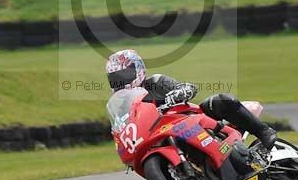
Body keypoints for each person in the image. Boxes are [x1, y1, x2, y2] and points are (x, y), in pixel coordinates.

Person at [105, 49, 277, 150]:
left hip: (190, 121)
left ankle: (263, 131)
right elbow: (123, 127)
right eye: (116, 78)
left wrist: (180, 93)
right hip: (161, 135)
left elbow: (188, 88)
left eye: (125, 74)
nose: (122, 80)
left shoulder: (156, 82)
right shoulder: (122, 104)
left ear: (138, 70)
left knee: (220, 101)